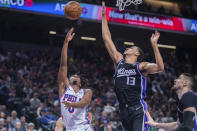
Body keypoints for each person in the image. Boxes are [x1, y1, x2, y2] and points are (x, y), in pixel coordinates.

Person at [102, 2, 164, 131]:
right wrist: (103, 17)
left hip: (137, 109)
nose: (127, 48)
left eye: (131, 47)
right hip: (123, 110)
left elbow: (160, 67)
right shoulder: (119, 61)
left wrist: (154, 45)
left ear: (136, 53)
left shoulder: (141, 66)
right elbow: (107, 39)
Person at [58, 28, 93, 131]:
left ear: (80, 83)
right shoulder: (64, 88)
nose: (74, 75)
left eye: (77, 76)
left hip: (84, 128)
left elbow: (83, 103)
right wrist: (66, 43)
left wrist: (71, 104)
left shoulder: (87, 91)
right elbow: (63, 66)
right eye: (73, 75)